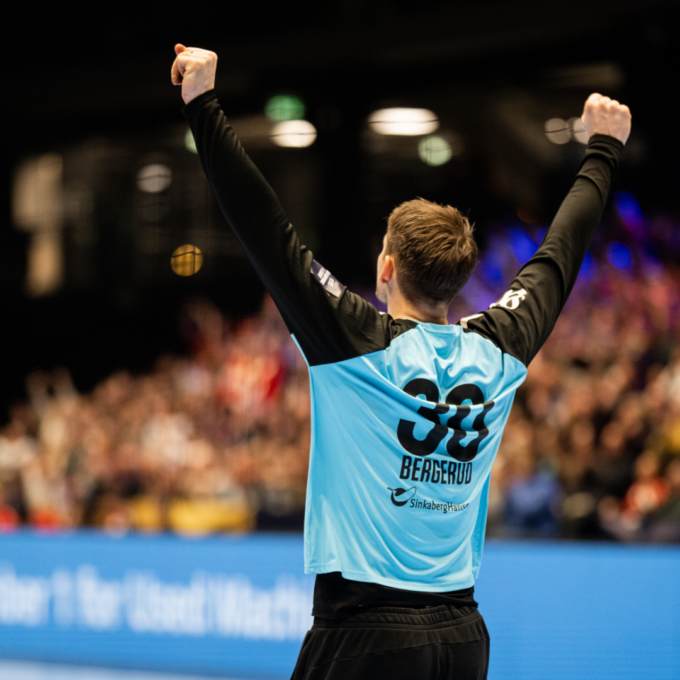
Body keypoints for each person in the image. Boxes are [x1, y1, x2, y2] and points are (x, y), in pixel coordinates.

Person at [170, 44, 631, 680]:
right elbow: (560, 253)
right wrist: (603, 149)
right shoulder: (499, 350)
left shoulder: (357, 344)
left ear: (386, 268)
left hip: (365, 633)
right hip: (463, 639)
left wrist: (202, 102)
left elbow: (265, 229)